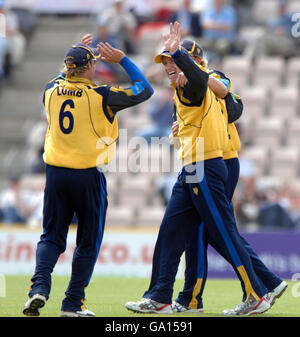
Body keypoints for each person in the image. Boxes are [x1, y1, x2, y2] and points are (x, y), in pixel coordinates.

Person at [125, 22, 271, 316]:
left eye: (171, 60)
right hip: (193, 167)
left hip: (205, 166)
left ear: (191, 62)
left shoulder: (195, 82)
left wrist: (179, 54)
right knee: (171, 231)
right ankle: (161, 296)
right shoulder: (194, 85)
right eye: (165, 61)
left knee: (222, 232)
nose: (167, 66)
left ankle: (256, 293)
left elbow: (202, 82)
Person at [22, 34, 153, 317]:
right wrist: (123, 60)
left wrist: (75, 53)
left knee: (51, 237)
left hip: (55, 174)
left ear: (68, 68)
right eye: (92, 62)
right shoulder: (101, 95)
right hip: (87, 176)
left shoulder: (50, 90)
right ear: (90, 67)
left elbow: (60, 77)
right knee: (88, 241)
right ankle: (72, 303)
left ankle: (38, 288)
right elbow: (144, 90)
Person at [168, 61, 287, 314]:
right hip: (207, 158)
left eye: (177, 61)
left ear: (197, 61)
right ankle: (267, 282)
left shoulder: (212, 78)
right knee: (208, 230)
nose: (172, 66)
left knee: (215, 229)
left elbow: (233, 105)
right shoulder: (189, 86)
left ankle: (198, 298)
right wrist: (179, 130)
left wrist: (194, 73)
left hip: (218, 158)